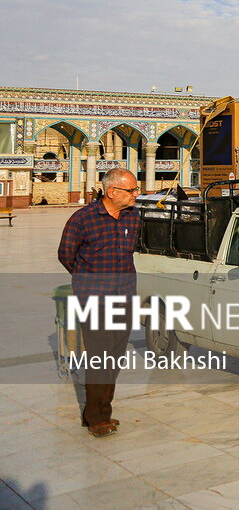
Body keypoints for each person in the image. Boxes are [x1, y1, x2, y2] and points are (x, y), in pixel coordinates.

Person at [57, 167, 141, 437]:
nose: (136, 195)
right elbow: (66, 254)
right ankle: (98, 419)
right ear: (112, 191)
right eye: (131, 190)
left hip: (125, 296)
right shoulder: (83, 219)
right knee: (99, 358)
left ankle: (96, 411)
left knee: (115, 357)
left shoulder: (133, 217)